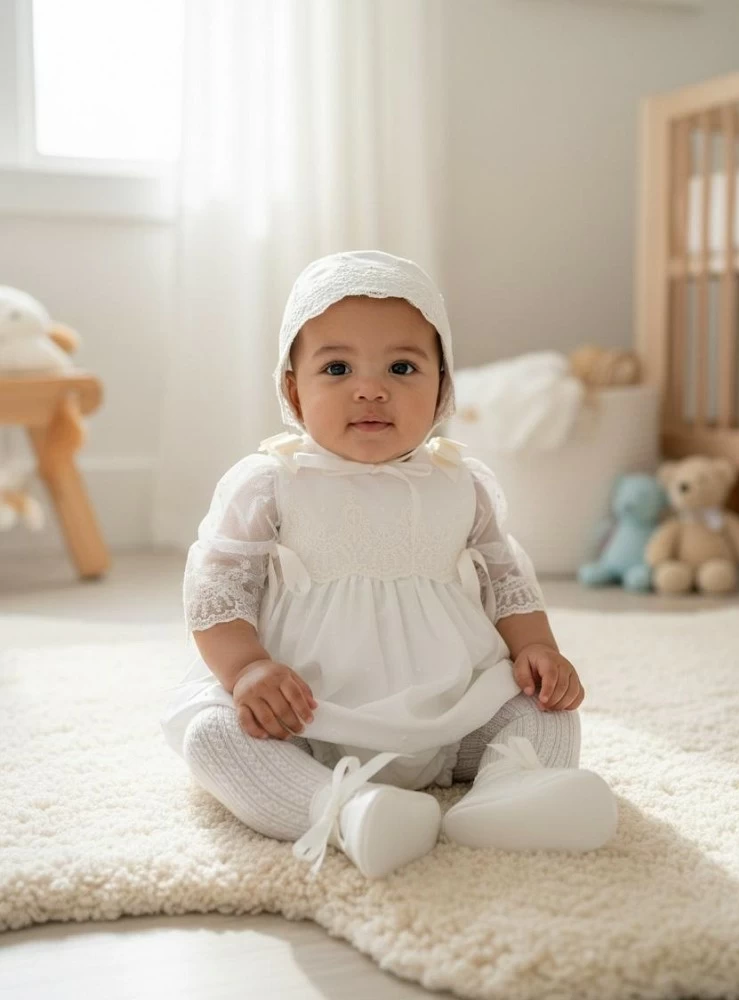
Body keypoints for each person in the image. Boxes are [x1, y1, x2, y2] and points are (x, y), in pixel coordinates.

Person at [160, 250, 618, 880]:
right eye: (337, 367)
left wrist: (536, 648)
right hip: (305, 718)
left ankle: (506, 793)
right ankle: (344, 808)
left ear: (441, 389)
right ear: (293, 389)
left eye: (402, 367)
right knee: (213, 736)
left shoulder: (463, 483)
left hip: (453, 714)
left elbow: (506, 579)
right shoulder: (273, 481)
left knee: (547, 711)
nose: (370, 388)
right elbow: (219, 591)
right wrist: (247, 670)